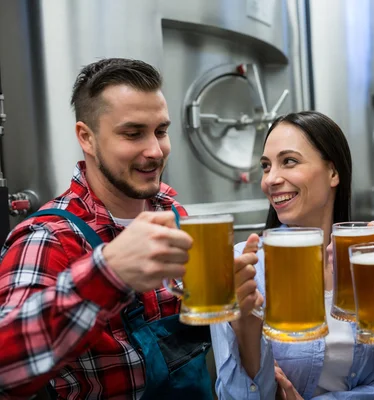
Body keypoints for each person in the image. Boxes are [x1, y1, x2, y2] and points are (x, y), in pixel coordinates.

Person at [0, 58, 246, 398]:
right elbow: (6, 369)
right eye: (133, 134)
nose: (156, 151)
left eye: (161, 131)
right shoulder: (50, 237)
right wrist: (107, 274)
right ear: (86, 137)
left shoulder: (174, 214)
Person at [210, 111, 374, 399]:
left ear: (333, 173)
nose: (271, 179)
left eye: (289, 161)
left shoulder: (365, 257)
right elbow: (234, 395)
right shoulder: (242, 267)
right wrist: (247, 332)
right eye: (266, 166)